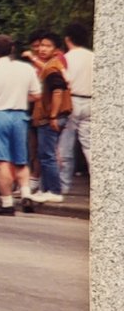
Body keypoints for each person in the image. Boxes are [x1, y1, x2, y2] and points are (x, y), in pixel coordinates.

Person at [0, 34, 41, 216]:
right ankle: (26, 193)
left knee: (2, 161)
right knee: (21, 159)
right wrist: (19, 98)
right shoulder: (26, 69)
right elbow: (36, 95)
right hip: (19, 115)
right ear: (12, 50)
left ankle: (7, 202)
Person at [28, 30, 72, 204]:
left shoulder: (52, 67)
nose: (42, 49)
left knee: (47, 155)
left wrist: (53, 115)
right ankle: (44, 189)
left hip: (50, 117)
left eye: (48, 46)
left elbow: (58, 91)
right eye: (41, 46)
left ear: (56, 49)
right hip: (50, 116)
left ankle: (54, 190)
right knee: (45, 153)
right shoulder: (52, 65)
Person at [58, 22, 93, 195]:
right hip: (92, 101)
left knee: (66, 145)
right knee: (89, 145)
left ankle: (64, 185)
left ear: (67, 39)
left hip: (71, 101)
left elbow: (66, 81)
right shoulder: (93, 57)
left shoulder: (66, 58)